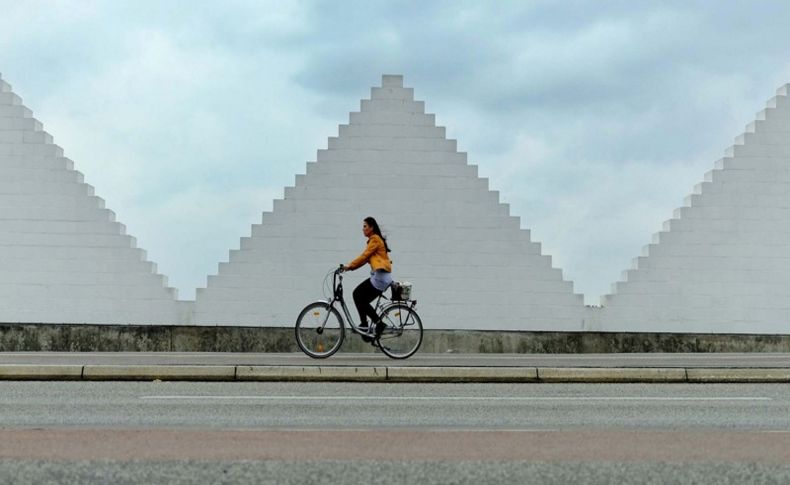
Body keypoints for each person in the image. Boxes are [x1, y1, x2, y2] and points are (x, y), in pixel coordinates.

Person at [342, 217, 392, 338]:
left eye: (365, 226)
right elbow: (364, 260)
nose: (363, 229)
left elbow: (364, 256)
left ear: (371, 227)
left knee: (358, 296)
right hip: (380, 277)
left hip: (380, 278)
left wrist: (349, 265)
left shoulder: (375, 239)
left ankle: (377, 324)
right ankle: (366, 325)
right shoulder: (374, 240)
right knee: (359, 298)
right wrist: (350, 268)